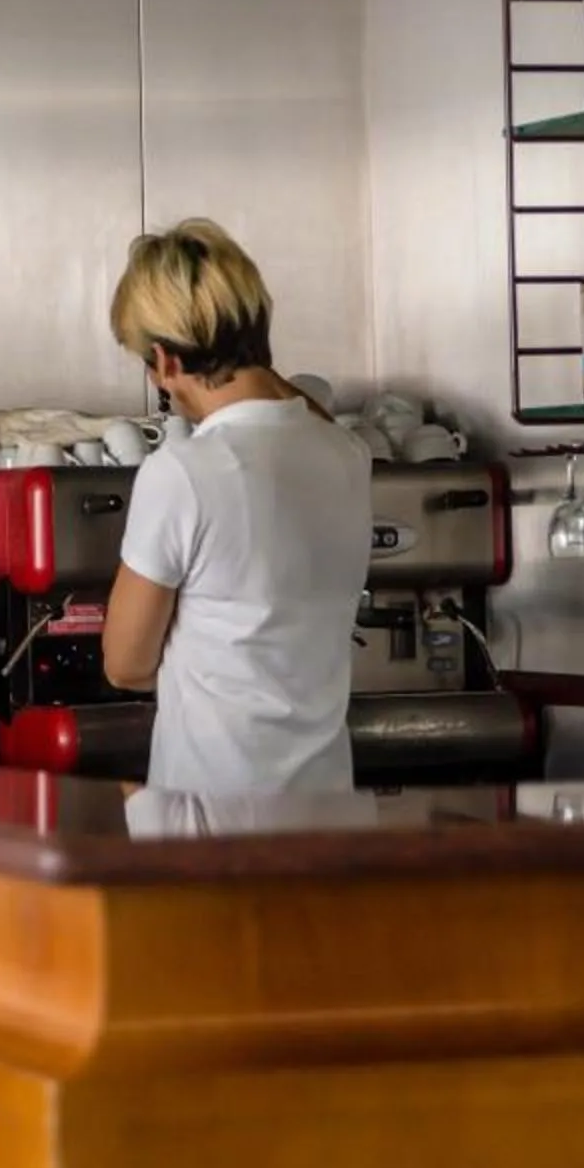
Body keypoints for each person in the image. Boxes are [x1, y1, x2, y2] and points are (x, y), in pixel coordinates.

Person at [98, 220, 370, 796]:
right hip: (327, 817)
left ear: (166, 362)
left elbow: (126, 665)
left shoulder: (182, 473)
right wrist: (245, 351)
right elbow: (304, 416)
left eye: (148, 365)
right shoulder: (346, 455)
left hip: (215, 824)